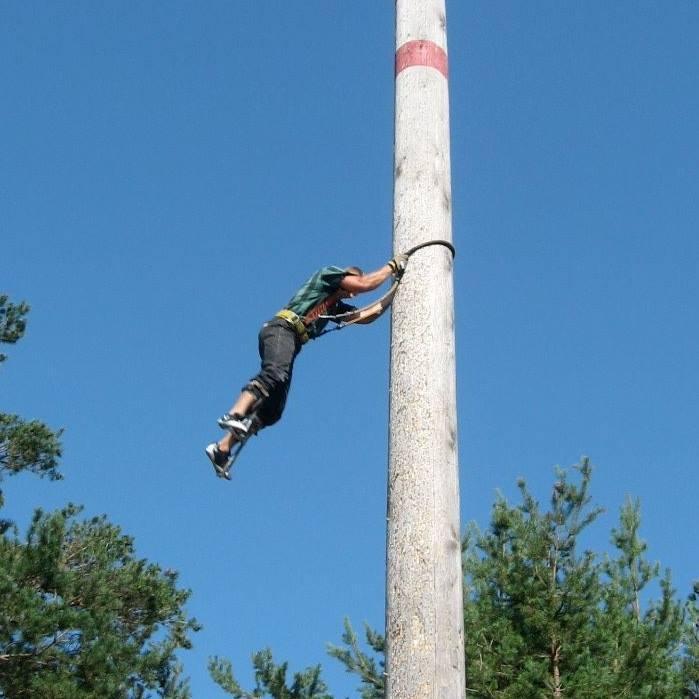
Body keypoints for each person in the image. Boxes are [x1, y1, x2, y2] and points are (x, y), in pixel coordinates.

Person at [205, 254, 409, 477]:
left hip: (291, 340)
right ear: (347, 275)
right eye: (353, 285)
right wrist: (392, 267)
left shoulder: (334, 308)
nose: (354, 292)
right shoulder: (328, 275)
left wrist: (396, 288)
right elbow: (365, 283)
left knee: (273, 410)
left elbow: (367, 315)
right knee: (274, 373)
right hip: (282, 328)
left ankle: (223, 448)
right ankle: (234, 414)